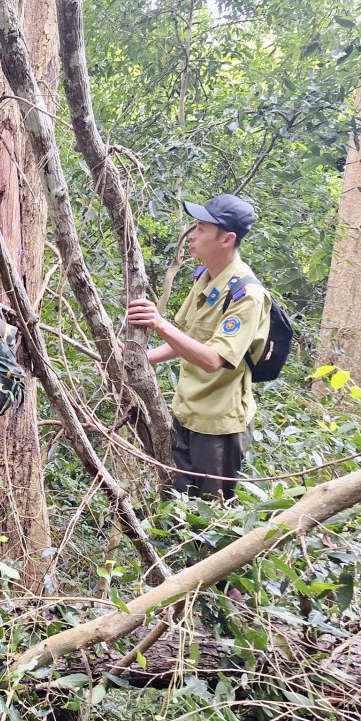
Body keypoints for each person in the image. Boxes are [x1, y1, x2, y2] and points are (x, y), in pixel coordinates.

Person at [126, 194, 271, 500]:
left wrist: (159, 324)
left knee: (210, 516)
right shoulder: (205, 276)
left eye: (202, 228)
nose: (192, 235)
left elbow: (212, 359)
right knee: (178, 505)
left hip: (218, 428)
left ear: (226, 239)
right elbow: (191, 341)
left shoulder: (247, 295)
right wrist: (139, 358)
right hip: (185, 413)